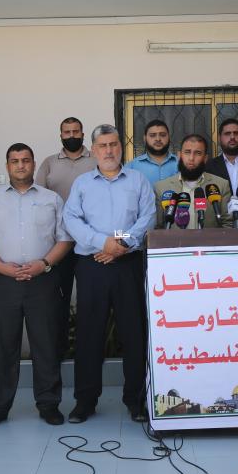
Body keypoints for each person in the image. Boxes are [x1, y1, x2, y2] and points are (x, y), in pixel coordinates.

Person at [0, 143, 74, 428]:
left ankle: (49, 404)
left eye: (26, 160)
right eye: (14, 161)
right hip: (3, 282)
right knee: (2, 346)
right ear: (7, 165)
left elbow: (65, 239)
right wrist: (0, 267)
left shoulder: (51, 199)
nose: (20, 165)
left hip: (43, 280)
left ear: (33, 164)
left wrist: (44, 263)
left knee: (46, 345)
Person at [63, 124, 156, 423]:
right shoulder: (82, 184)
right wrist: (102, 243)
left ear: (121, 147)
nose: (109, 150)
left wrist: (122, 245)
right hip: (92, 265)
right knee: (89, 334)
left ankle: (136, 400)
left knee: (134, 333)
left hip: (129, 264)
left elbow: (148, 217)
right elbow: (71, 219)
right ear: (93, 150)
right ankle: (85, 401)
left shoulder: (138, 180)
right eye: (102, 145)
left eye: (113, 144)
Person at [35, 117, 98, 358]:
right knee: (57, 300)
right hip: (59, 244)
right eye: (67, 132)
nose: (72, 135)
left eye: (76, 131)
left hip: (91, 243)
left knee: (90, 300)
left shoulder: (96, 160)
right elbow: (38, 199)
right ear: (60, 135)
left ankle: (89, 351)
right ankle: (59, 351)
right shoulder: (49, 163)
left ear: (83, 133)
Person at [152, 134, 232, 228]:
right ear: (179, 155)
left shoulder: (221, 185)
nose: (191, 158)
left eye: (198, 153)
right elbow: (158, 227)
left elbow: (228, 224)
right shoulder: (161, 188)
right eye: (187, 152)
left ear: (205, 158)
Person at [124, 119, 178, 185]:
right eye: (152, 135)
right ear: (145, 138)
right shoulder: (131, 167)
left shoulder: (181, 164)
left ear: (169, 137)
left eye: (163, 135)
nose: (158, 139)